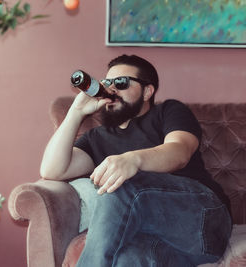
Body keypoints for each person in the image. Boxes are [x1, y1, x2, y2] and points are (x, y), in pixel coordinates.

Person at [40, 54, 232, 267]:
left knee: (120, 183)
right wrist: (76, 112)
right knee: (127, 260)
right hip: (166, 243)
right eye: (108, 83)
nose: (112, 89)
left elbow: (180, 152)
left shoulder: (168, 111)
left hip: (204, 223)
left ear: (147, 91)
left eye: (121, 83)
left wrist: (133, 160)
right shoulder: (96, 138)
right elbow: (53, 170)